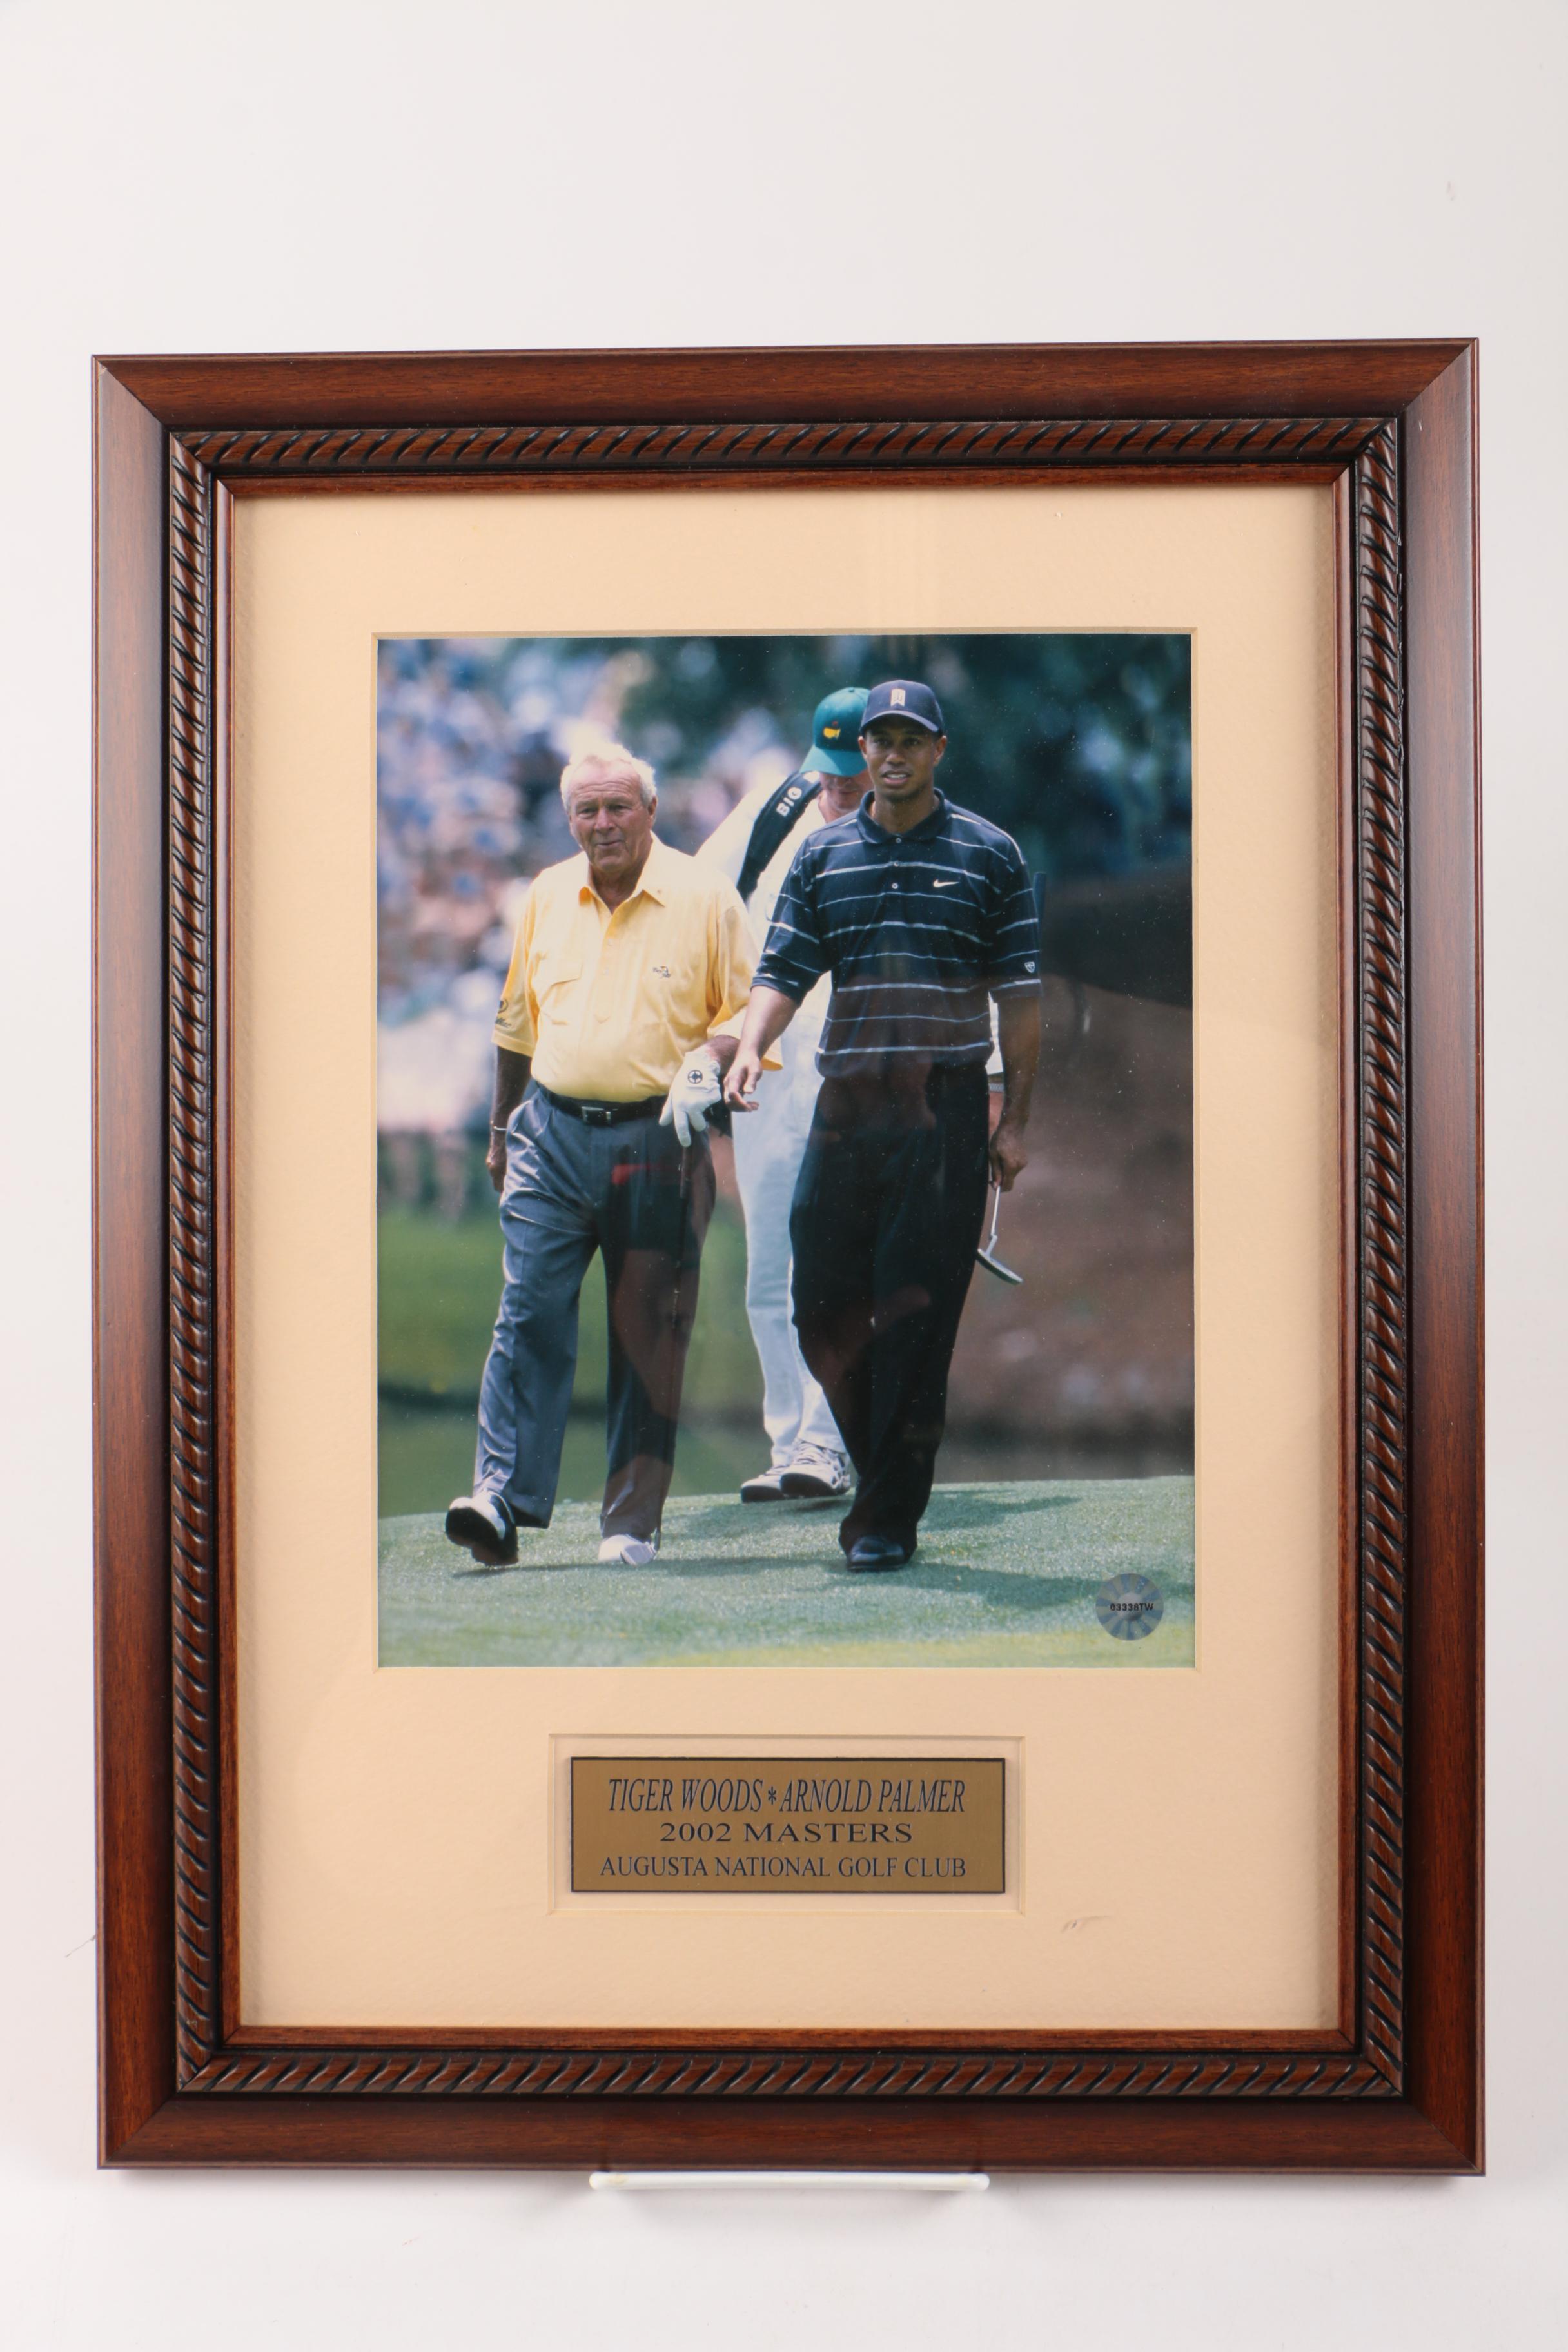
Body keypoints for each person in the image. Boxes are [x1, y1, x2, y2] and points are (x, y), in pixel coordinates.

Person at [725, 680, 1043, 1571]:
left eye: (911, 739)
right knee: (819, 1304)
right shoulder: (823, 855)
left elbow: (1020, 1001)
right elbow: (783, 966)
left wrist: (1012, 1120)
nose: (893, 754)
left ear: (939, 749)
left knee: (916, 1315)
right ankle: (880, 1477)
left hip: (940, 1107)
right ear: (862, 753)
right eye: (880, 741)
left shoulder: (990, 854)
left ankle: (885, 1520)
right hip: (847, 1105)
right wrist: (751, 1046)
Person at [444, 745, 761, 1571]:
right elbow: (515, 1024)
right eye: (587, 810)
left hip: (659, 1137)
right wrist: (497, 1129)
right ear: (569, 818)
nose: (602, 824)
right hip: (548, 1131)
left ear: (650, 811)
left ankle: (628, 1525)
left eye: (618, 807)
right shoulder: (548, 893)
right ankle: (500, 1501)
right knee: (528, 1311)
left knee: (648, 1329)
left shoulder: (702, 896)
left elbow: (747, 1007)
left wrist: (711, 1057)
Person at [695, 687, 868, 1504]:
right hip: (769, 1064)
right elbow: (699, 900)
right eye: (827, 772)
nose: (838, 791)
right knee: (769, 1264)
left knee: (835, 1261)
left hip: (868, 1070)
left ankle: (830, 1445)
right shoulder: (777, 810)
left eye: (853, 774)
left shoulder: (922, 829)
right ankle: (787, 1443)